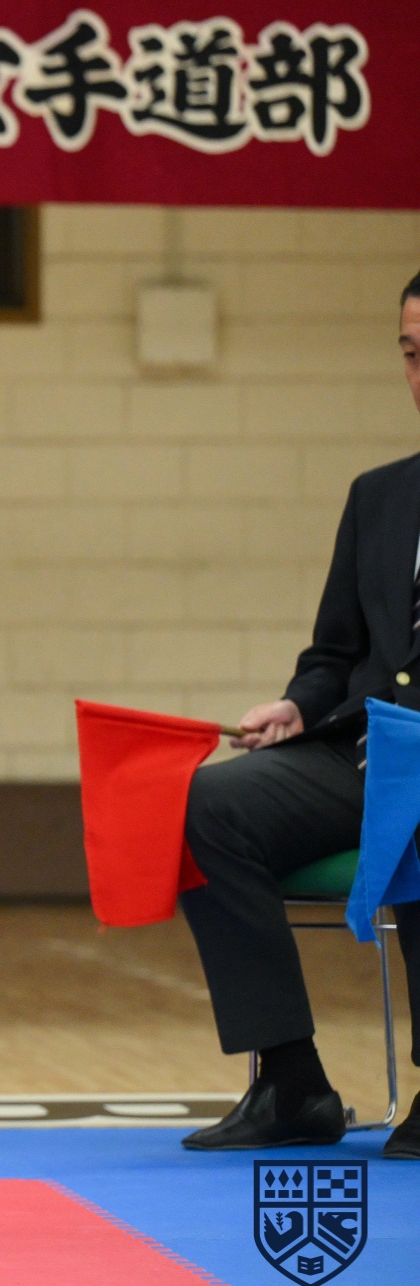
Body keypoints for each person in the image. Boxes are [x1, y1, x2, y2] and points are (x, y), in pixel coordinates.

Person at [175, 269, 420, 1158]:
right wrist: (297, 703)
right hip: (362, 752)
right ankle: (291, 1082)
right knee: (211, 804)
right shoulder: (378, 496)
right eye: (410, 354)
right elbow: (334, 654)